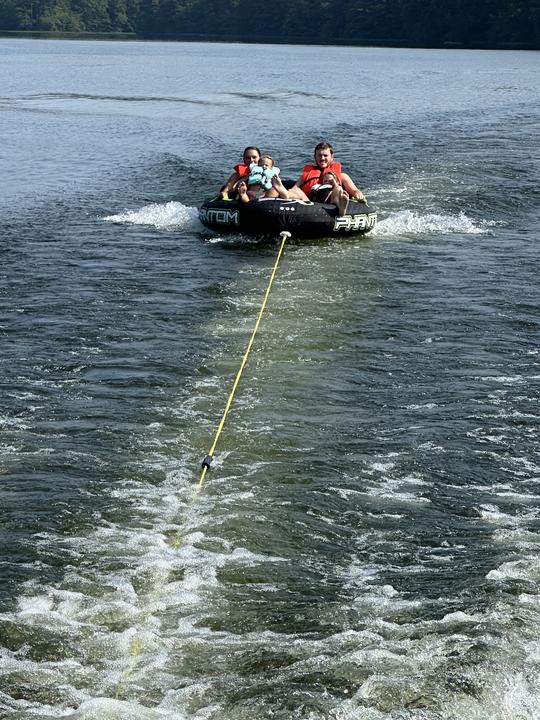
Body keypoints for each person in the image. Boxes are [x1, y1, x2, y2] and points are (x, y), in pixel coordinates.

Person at [295, 141, 366, 213]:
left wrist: (358, 194)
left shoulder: (342, 177)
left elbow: (355, 191)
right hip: (310, 205)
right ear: (315, 157)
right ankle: (283, 192)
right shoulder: (305, 176)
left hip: (331, 205)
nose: (322, 158)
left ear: (332, 157)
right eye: (319, 155)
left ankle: (341, 208)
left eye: (325, 155)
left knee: (337, 189)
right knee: (296, 191)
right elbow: (294, 189)